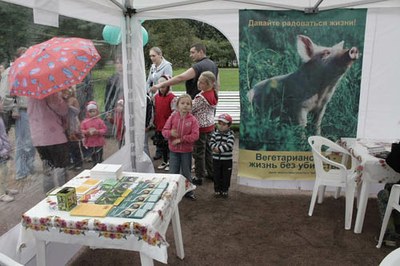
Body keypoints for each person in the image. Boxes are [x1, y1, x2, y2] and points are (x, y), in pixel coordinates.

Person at [28, 92, 69, 193]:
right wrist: (64, 100)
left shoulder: (31, 94)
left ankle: (49, 196)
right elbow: (62, 110)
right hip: (54, 136)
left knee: (48, 168)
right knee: (60, 167)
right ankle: (64, 194)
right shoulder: (50, 92)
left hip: (38, 138)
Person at [162, 94, 199, 200]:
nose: (185, 106)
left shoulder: (193, 120)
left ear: (191, 107)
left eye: (188, 104)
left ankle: (188, 191)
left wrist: (181, 139)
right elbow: (164, 131)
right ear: (177, 105)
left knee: (186, 171)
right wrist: (170, 133)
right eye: (182, 103)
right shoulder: (173, 117)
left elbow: (195, 136)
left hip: (186, 151)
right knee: (173, 171)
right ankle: (172, 191)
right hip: (173, 150)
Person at [150, 43, 219, 99]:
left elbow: (180, 78)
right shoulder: (214, 65)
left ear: (201, 52)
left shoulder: (198, 66)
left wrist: (160, 85)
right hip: (209, 103)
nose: (190, 55)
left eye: (193, 52)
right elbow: (217, 84)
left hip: (196, 103)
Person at [9, 47, 36, 180]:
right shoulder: (14, 72)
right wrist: (14, 108)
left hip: (34, 110)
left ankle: (30, 165)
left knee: (32, 141)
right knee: (22, 142)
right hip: (22, 111)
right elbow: (9, 95)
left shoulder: (33, 71)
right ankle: (21, 171)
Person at [191, 71, 218, 186]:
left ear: (208, 84)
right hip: (210, 125)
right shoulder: (213, 93)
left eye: (201, 82)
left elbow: (191, 108)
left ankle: (199, 176)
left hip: (200, 128)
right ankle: (211, 173)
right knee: (208, 151)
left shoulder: (201, 97)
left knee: (199, 153)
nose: (198, 84)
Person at [153, 75, 176, 171]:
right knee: (162, 144)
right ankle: (165, 160)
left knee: (169, 144)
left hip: (168, 126)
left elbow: (174, 112)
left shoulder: (172, 98)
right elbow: (154, 109)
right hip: (159, 124)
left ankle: (171, 161)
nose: (162, 89)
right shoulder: (156, 97)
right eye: (160, 86)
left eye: (164, 86)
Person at [209, 113, 235, 198]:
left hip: (227, 160)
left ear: (229, 125)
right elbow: (211, 142)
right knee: (216, 175)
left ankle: (225, 190)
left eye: (224, 124)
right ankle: (217, 189)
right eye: (219, 123)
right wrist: (214, 147)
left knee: (226, 176)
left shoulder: (230, 135)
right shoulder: (214, 134)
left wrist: (219, 149)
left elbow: (229, 144)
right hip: (216, 159)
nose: (221, 126)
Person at [0, 100, 18, 202]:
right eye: (0, 102)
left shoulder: (1, 117)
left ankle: (5, 188)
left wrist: (7, 147)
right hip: (1, 151)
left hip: (4, 149)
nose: (2, 104)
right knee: (1, 172)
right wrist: (3, 149)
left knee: (5, 171)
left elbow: (3, 133)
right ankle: (1, 194)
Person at [62, 87, 83, 170]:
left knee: (74, 144)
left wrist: (69, 107)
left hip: (73, 124)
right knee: (67, 145)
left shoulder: (73, 99)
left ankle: (78, 162)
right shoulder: (62, 101)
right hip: (65, 124)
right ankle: (71, 161)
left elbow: (77, 111)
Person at [81, 101, 107, 166]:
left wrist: (97, 131)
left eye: (94, 111)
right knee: (93, 156)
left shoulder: (100, 121)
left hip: (99, 142)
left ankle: (100, 164)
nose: (92, 113)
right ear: (87, 112)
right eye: (90, 111)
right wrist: (87, 132)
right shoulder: (84, 122)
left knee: (99, 155)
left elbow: (104, 130)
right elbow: (81, 130)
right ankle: (95, 165)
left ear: (96, 111)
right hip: (90, 143)